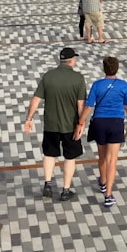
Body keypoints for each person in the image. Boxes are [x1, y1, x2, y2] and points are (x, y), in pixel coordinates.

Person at [23, 46, 87, 202]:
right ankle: (65, 190)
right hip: (69, 126)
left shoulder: (48, 76)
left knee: (49, 154)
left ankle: (47, 184)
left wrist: (29, 119)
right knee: (69, 158)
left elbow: (36, 100)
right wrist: (81, 123)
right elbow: (81, 105)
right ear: (72, 61)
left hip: (50, 124)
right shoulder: (78, 78)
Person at [74, 56, 127, 209]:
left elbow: (88, 107)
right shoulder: (122, 85)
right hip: (115, 123)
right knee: (112, 160)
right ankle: (108, 194)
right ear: (117, 68)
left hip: (100, 123)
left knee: (102, 156)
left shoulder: (97, 85)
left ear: (104, 68)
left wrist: (80, 123)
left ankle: (102, 182)